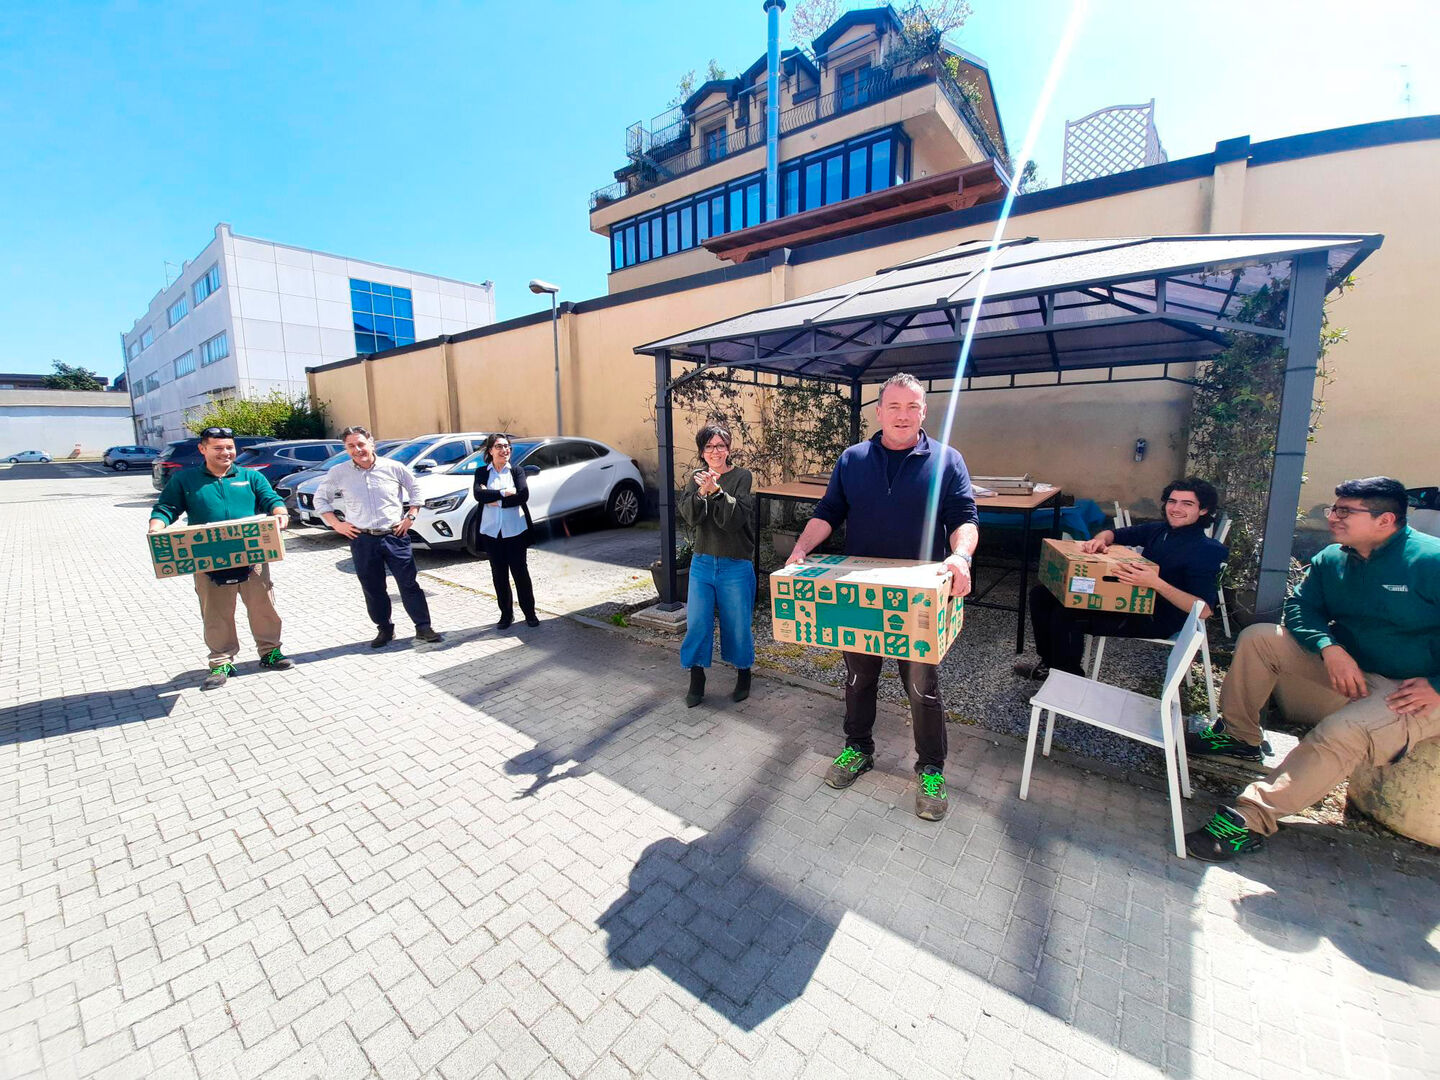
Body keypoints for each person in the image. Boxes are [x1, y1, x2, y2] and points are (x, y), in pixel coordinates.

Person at [1183, 476, 1440, 861]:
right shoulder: (1334, 557)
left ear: (1385, 520)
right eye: (1335, 508)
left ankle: (1252, 818)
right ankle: (1239, 736)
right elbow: (1300, 609)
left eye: (1345, 511)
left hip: (1414, 689)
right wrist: (1329, 648)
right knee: (1260, 637)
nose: (1333, 516)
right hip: (1353, 665)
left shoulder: (1430, 560)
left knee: (1341, 731)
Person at [785, 372, 979, 821]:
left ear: (924, 412)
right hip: (863, 595)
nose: (903, 415)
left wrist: (961, 557)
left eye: (912, 407)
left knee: (922, 688)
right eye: (894, 406)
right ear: (879, 411)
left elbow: (964, 518)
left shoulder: (948, 460)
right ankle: (857, 749)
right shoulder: (853, 460)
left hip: (917, 599)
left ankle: (931, 769)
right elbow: (828, 511)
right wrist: (801, 548)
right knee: (858, 679)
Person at [1015, 478, 1228, 680]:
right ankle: (1049, 664)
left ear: (1203, 510)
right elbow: (1113, 534)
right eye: (1172, 501)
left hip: (1158, 616)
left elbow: (1205, 610)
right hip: (1133, 597)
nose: (1176, 508)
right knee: (1042, 594)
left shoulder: (1206, 550)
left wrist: (1155, 583)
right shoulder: (1161, 530)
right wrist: (1099, 541)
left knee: (1069, 612)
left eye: (1187, 504)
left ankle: (1066, 679)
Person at [148, 425, 293, 691]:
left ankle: (270, 652)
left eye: (229, 448)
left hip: (252, 556)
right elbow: (167, 507)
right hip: (208, 559)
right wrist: (156, 527)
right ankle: (221, 662)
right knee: (216, 613)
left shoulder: (250, 477)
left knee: (264, 607)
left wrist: (279, 511)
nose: (225, 453)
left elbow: (270, 498)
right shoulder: (185, 480)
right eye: (218, 448)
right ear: (203, 449)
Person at [315, 426, 442, 647]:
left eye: (361, 444)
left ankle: (423, 627)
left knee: (408, 584)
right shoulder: (338, 472)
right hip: (362, 539)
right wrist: (337, 524)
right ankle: (384, 629)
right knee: (373, 588)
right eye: (351, 446)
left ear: (371, 443)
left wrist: (411, 517)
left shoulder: (393, 467)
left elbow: (416, 491)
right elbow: (320, 499)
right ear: (346, 448)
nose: (357, 449)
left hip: (395, 535)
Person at [677, 423, 756, 707]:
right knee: (697, 623)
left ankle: (744, 674)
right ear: (702, 451)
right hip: (702, 562)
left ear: (729, 449)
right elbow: (690, 516)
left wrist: (718, 492)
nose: (715, 451)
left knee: (737, 625)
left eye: (720, 445)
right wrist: (701, 493)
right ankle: (697, 680)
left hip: (735, 564)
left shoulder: (742, 477)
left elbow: (733, 521)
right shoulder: (696, 479)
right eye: (709, 446)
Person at [473, 433, 539, 630]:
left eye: (507, 446)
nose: (505, 450)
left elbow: (523, 495)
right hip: (492, 532)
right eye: (500, 447)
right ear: (491, 450)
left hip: (515, 531)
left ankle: (530, 613)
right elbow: (478, 494)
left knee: (520, 573)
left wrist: (493, 500)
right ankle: (506, 615)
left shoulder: (517, 471)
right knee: (499, 575)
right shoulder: (482, 472)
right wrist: (503, 493)